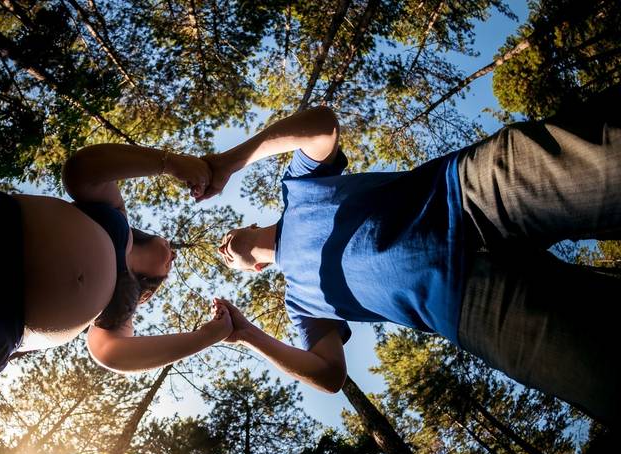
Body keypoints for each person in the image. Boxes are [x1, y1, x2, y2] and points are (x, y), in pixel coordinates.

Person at [204, 90, 620, 427]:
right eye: (228, 263)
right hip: (470, 309)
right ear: (255, 269)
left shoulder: (295, 187)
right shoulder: (300, 303)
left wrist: (229, 162)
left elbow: (322, 126)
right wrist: (246, 336)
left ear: (249, 223)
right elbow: (330, 375)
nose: (225, 251)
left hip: (472, 194)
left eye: (225, 239)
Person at [0, 133, 231, 427]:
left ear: (152, 285)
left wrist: (205, 338)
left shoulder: (123, 304)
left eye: (170, 270)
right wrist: (168, 163)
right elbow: (82, 169)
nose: (175, 255)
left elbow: (112, 353)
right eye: (174, 249)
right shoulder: (115, 215)